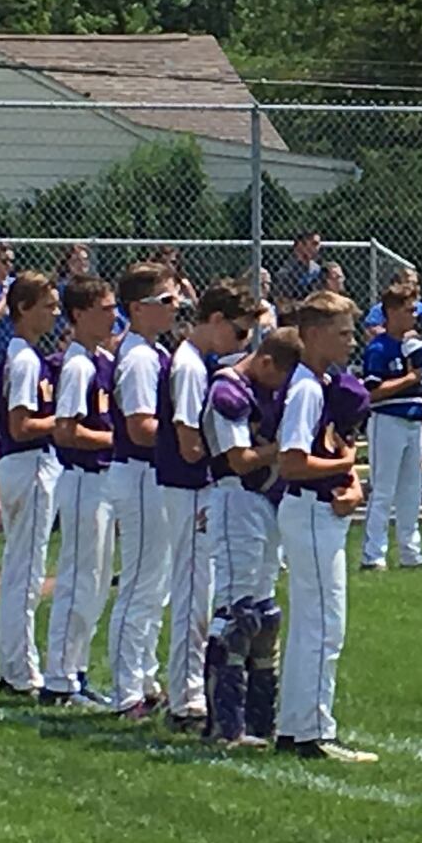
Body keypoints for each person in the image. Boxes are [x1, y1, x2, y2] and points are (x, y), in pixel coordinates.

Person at [156, 279, 261, 733]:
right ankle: (185, 697)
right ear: (215, 321)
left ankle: (189, 691)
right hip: (189, 488)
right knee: (193, 593)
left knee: (198, 589)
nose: (242, 344)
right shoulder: (190, 366)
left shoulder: (198, 361)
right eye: (239, 333)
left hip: (195, 487)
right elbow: (187, 439)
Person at [274, 291, 374, 762]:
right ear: (312, 335)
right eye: (341, 333)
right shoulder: (307, 389)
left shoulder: (325, 382)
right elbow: (292, 463)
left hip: (321, 510)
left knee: (313, 625)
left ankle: (296, 725)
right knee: (323, 625)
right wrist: (344, 465)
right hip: (310, 510)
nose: (350, 341)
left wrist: (349, 480)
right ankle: (314, 730)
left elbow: (330, 452)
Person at [202, 326, 303, 747]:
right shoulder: (229, 393)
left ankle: (261, 720)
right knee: (236, 612)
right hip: (235, 500)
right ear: (265, 362)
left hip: (266, 502)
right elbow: (239, 460)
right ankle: (224, 724)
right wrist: (282, 448)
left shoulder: (272, 392)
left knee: (265, 614)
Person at [41, 273, 117, 708]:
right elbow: (66, 431)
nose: (113, 316)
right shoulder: (77, 365)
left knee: (97, 579)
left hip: (102, 480)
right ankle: (59, 678)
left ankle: (77, 669)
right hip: (83, 479)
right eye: (104, 309)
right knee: (78, 577)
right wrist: (114, 440)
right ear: (79, 314)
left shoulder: (99, 359)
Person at [106, 262, 179, 719]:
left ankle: (145, 679)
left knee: (156, 585)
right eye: (165, 302)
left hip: (153, 474)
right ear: (138, 308)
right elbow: (140, 426)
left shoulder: (153, 351)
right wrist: (188, 434)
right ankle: (126, 690)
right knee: (139, 583)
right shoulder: (137, 358)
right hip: (138, 472)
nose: (175, 310)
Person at [0, 272, 62, 696]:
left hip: (28, 464)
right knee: (26, 570)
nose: (54, 313)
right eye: (47, 306)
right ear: (23, 308)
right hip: (29, 462)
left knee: (24, 567)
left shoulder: (27, 355)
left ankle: (15, 665)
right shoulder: (25, 359)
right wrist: (66, 420)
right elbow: (20, 426)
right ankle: (20, 671)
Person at [360, 283, 422, 571]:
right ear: (390, 312)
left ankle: (410, 551)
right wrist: (409, 378)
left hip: (413, 421)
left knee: (411, 489)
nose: (413, 316)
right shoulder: (379, 348)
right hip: (388, 420)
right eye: (408, 310)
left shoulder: (416, 347)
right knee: (383, 488)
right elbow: (373, 391)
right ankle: (373, 553)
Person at [361, 266, 422, 396]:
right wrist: (404, 339)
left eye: (416, 283)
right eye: (409, 282)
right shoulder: (383, 311)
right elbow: (371, 331)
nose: (414, 286)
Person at [272, 230, 323, 308]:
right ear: (300, 245)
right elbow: (281, 301)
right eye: (314, 244)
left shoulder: (316, 269)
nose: (317, 248)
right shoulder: (286, 272)